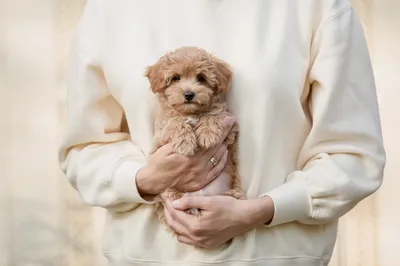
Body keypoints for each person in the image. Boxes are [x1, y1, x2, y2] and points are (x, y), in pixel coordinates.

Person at [58, 0, 386, 265]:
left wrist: (263, 210)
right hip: (146, 257)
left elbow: (354, 155)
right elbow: (85, 146)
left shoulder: (318, 7)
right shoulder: (108, 10)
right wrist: (143, 179)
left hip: (274, 257)